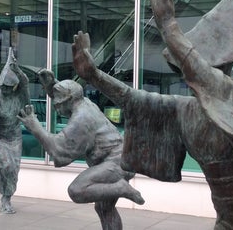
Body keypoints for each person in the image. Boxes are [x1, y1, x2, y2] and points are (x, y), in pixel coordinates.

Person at [71, 0, 233, 229]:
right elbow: (132, 98)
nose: (185, 71)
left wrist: (169, 26)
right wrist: (94, 75)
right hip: (228, 209)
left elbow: (203, 75)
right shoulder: (185, 110)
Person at [17, 69, 144, 230]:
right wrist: (51, 86)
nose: (55, 105)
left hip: (116, 163)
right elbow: (69, 93)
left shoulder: (81, 118)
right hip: (120, 159)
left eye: (57, 101)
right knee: (104, 208)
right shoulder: (83, 102)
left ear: (68, 100)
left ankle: (120, 187)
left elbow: (59, 151)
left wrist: (35, 126)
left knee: (77, 190)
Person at [0, 50, 30, 214]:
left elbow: (25, 82)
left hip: (14, 137)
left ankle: (8, 197)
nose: (5, 89)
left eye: (9, 87)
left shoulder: (19, 95)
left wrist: (17, 69)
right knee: (6, 164)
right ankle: (4, 197)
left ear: (14, 86)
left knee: (13, 170)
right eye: (2, 86)